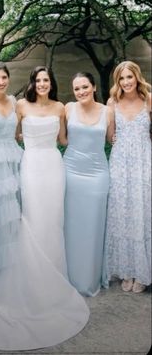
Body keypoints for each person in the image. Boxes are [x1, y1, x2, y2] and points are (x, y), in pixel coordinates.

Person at [0, 64, 89, 351]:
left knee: (51, 221)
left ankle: (52, 275)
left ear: (51, 83)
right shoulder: (17, 104)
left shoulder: (59, 108)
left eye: (46, 80)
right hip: (25, 165)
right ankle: (13, 276)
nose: (42, 84)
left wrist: (96, 136)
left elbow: (65, 139)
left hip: (49, 166)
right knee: (24, 219)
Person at [63, 72, 115, 297]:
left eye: (85, 87)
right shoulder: (68, 108)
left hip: (97, 174)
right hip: (71, 172)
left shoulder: (107, 111)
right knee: (70, 224)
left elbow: (111, 139)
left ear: (94, 87)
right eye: (77, 89)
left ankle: (89, 278)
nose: (81, 92)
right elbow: (62, 139)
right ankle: (67, 277)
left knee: (93, 225)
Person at [104, 60, 151, 293]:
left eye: (129, 77)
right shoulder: (112, 102)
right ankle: (126, 270)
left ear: (137, 77)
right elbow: (110, 136)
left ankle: (142, 272)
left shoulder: (149, 99)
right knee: (122, 212)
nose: (126, 82)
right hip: (120, 163)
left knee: (142, 212)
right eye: (121, 78)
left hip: (144, 161)